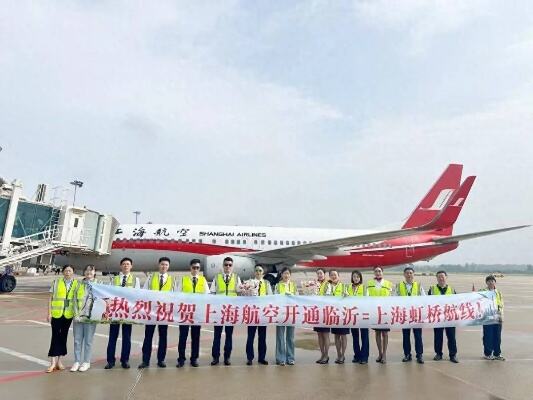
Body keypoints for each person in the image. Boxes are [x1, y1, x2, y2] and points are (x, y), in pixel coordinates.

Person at [138, 257, 175, 369]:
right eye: (162, 264)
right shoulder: (151, 278)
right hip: (151, 312)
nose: (164, 266)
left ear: (168, 267)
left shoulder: (172, 280)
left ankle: (161, 360)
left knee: (163, 336)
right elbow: (144, 293)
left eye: (166, 265)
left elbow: (175, 296)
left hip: (164, 312)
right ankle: (145, 360)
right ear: (159, 265)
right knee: (148, 336)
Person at [105, 257, 140, 369]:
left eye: (128, 264)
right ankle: (110, 361)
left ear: (131, 266)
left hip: (128, 312)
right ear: (121, 266)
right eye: (124, 264)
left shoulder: (136, 280)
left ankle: (125, 360)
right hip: (115, 312)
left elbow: (138, 296)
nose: (126, 266)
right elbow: (109, 294)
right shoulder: (114, 279)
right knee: (112, 337)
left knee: (126, 337)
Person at [176, 258, 210, 368]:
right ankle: (181, 359)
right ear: (190, 268)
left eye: (198, 268)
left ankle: (194, 358)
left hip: (197, 312)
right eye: (194, 267)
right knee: (183, 337)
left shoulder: (203, 280)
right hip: (185, 312)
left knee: (196, 337)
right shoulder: (183, 279)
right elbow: (177, 294)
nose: (195, 270)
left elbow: (207, 295)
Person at [210, 256, 241, 366]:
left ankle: (227, 357)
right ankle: (215, 357)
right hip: (219, 311)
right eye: (226, 265)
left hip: (230, 311)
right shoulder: (217, 278)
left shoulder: (237, 278)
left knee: (229, 335)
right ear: (223, 266)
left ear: (232, 267)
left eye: (230, 265)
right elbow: (212, 293)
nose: (228, 267)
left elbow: (240, 292)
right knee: (217, 335)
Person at [47, 265, 79, 373]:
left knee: (63, 337)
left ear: (73, 272)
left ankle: (59, 361)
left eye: (70, 271)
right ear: (63, 272)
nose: (68, 272)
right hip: (56, 313)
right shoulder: (56, 282)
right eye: (66, 271)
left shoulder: (76, 283)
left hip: (68, 314)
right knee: (55, 336)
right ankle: (52, 362)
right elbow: (50, 298)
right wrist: (49, 313)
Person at [71, 265, 100, 372]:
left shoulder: (99, 284)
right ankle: (77, 361)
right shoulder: (78, 284)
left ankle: (86, 362)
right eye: (87, 270)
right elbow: (74, 300)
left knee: (88, 341)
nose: (89, 272)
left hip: (91, 318)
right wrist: (76, 314)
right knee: (77, 341)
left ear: (94, 272)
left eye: (91, 270)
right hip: (79, 317)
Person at [395, 266, 425, 364]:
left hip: (416, 315)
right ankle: (407, 354)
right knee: (406, 336)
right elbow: (394, 299)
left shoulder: (419, 285)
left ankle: (419, 355)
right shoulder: (399, 286)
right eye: (407, 273)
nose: (409, 275)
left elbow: (425, 299)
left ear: (413, 274)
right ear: (404, 275)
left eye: (411, 273)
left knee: (418, 336)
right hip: (405, 315)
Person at [428, 270, 459, 363]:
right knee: (438, 336)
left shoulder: (452, 289)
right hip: (437, 317)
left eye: (442, 276)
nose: (441, 278)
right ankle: (438, 354)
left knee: (451, 337)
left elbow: (457, 302)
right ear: (436, 278)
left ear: (446, 277)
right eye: (439, 276)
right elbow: (428, 303)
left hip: (450, 317)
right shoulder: (432, 289)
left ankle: (453, 355)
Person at [246, 265, 272, 365]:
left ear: (263, 273)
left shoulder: (266, 283)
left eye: (260, 270)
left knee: (262, 337)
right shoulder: (249, 283)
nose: (258, 272)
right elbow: (245, 296)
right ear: (254, 272)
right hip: (252, 313)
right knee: (250, 337)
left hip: (262, 313)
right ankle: (250, 358)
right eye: (256, 270)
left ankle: (262, 357)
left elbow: (270, 297)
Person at [367, 266, 393, 364]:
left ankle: (385, 354)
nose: (378, 273)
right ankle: (380, 353)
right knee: (377, 333)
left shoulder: (388, 284)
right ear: (374, 273)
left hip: (385, 312)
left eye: (379, 271)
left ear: (382, 272)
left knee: (385, 334)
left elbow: (392, 297)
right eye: (376, 271)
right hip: (374, 312)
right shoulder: (369, 284)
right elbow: (366, 297)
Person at [275, 267, 298, 366]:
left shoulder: (294, 285)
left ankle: (290, 358)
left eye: (288, 273)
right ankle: (280, 358)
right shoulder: (277, 286)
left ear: (290, 275)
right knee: (280, 337)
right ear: (281, 275)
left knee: (290, 337)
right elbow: (275, 298)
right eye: (284, 273)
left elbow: (297, 298)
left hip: (291, 313)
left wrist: (292, 295)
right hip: (281, 313)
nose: (286, 275)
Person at [326, 270, 349, 364]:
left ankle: (343, 355)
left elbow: (349, 299)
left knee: (343, 336)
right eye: (331, 275)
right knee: (336, 336)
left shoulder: (344, 286)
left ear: (338, 276)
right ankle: (338, 354)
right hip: (334, 314)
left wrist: (346, 296)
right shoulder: (328, 286)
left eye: (335, 275)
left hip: (343, 314)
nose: (333, 276)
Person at [347, 270, 369, 364]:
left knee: (364, 336)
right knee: (355, 337)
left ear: (360, 278)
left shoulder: (364, 288)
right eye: (354, 276)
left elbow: (367, 300)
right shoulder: (348, 287)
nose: (355, 278)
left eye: (357, 277)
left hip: (363, 315)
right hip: (352, 315)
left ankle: (364, 357)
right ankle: (357, 355)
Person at [481, 275, 505, 361]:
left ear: (495, 282)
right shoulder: (482, 292)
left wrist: (501, 316)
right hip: (487, 318)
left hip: (497, 317)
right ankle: (487, 354)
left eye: (492, 281)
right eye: (489, 281)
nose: (491, 282)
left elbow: (501, 305)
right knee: (488, 336)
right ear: (486, 282)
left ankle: (497, 353)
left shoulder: (498, 292)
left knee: (497, 337)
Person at [313, 268, 331, 364]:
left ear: (325, 274)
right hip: (317, 311)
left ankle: (326, 355)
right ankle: (322, 354)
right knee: (319, 334)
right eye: (318, 273)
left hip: (325, 311)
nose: (320, 275)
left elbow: (328, 296)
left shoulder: (328, 284)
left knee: (325, 334)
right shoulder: (315, 284)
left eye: (321, 273)